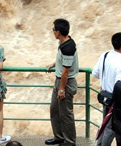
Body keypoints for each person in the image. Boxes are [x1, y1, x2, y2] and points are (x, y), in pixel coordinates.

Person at [45, 18, 77, 146]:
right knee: (55, 110)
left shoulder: (68, 48)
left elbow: (66, 72)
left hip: (66, 83)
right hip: (60, 81)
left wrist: (62, 89)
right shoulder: (63, 42)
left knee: (66, 114)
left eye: (53, 30)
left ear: (58, 32)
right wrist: (55, 63)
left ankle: (70, 141)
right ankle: (58, 137)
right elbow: (63, 62)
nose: (53, 32)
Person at [92, 33, 121, 146]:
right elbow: (119, 85)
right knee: (111, 128)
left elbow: (95, 73)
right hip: (114, 100)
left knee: (104, 124)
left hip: (104, 97)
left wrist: (106, 78)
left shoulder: (105, 55)